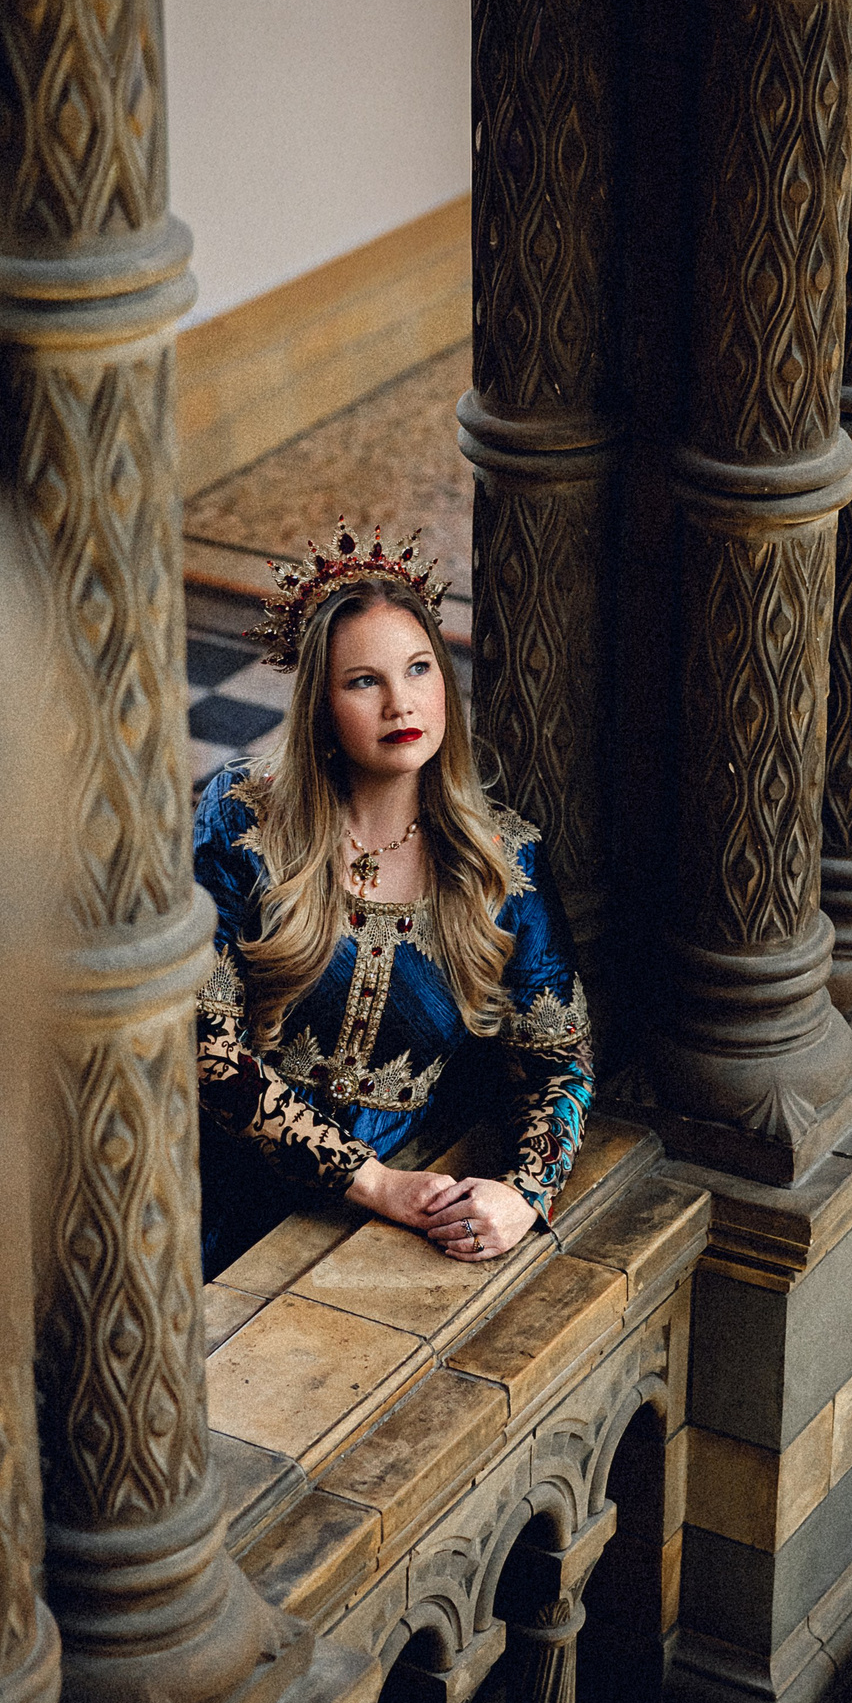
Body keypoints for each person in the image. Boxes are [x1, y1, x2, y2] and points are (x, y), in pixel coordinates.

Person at [194, 521, 594, 1281]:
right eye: (363, 682)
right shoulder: (244, 819)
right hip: (219, 1196)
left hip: (394, 1220)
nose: (399, 703)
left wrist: (524, 1192)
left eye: (417, 669)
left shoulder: (502, 862)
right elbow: (206, 1048)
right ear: (321, 705)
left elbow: (558, 1061)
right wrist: (377, 1184)